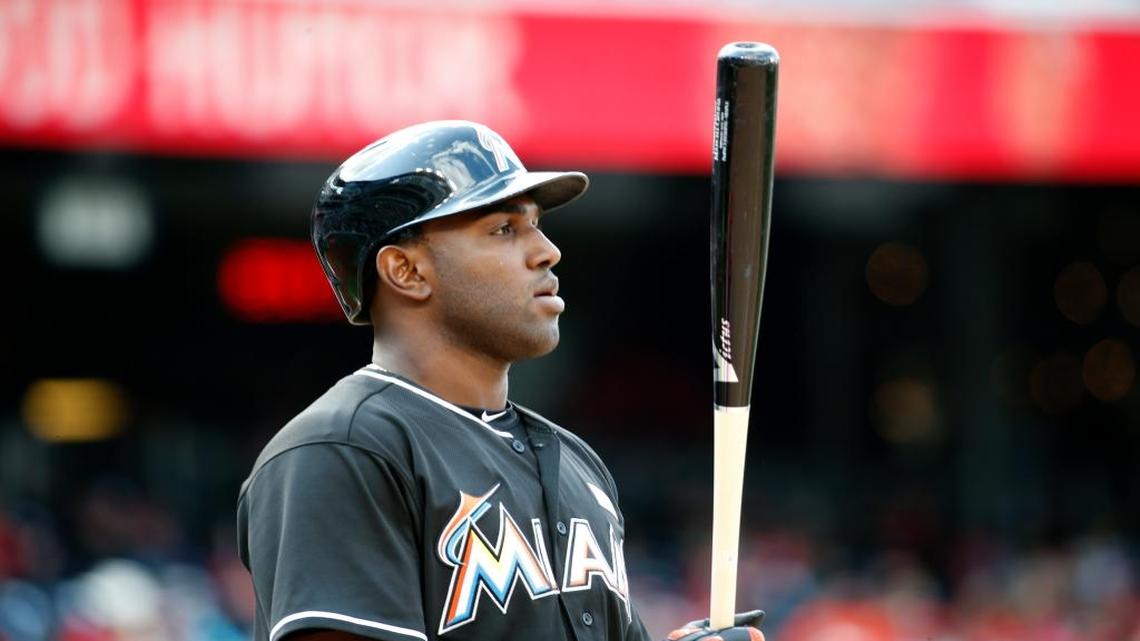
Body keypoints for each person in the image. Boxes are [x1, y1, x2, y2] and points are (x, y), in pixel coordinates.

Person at [236, 121, 766, 641]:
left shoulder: (578, 463)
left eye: (536, 224)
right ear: (406, 271)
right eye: (504, 229)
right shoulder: (342, 449)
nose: (547, 251)